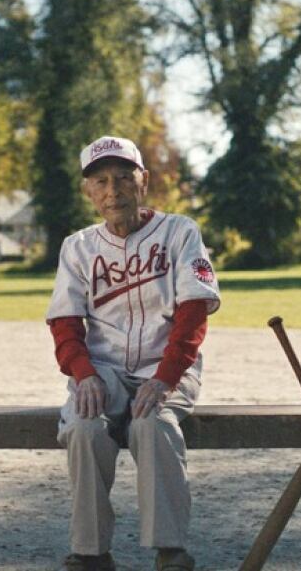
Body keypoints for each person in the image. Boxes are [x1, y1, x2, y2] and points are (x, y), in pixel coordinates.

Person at [46, 136, 220, 571]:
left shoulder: (180, 232)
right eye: (101, 181)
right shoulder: (78, 246)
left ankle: (170, 550)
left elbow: (194, 311)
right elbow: (65, 323)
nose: (113, 190)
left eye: (124, 178)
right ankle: (91, 552)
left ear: (143, 182)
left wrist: (165, 378)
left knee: (152, 425)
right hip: (101, 371)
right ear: (88, 191)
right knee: (85, 429)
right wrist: (83, 374)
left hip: (165, 369)